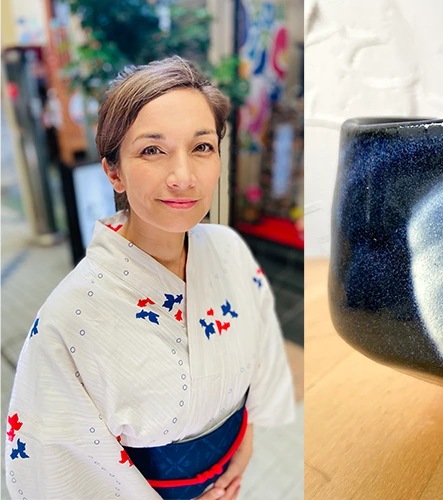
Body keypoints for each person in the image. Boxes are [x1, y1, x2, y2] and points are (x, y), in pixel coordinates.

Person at [4, 56, 296, 500]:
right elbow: (62, 462)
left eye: (202, 147)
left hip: (233, 474)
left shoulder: (229, 251)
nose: (183, 177)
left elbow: (260, 363)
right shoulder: (69, 319)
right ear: (113, 170)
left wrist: (247, 438)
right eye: (152, 150)